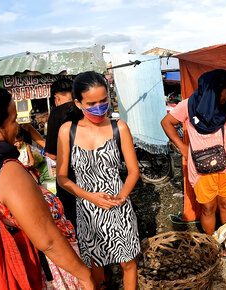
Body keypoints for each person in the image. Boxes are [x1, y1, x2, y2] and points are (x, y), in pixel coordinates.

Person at [0, 85, 94, 289]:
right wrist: (84, 275)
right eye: (12, 120)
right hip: (54, 272)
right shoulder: (8, 172)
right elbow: (49, 241)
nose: (17, 127)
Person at [57, 71, 140, 290]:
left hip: (119, 207)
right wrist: (90, 197)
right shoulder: (67, 131)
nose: (99, 107)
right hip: (87, 211)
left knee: (129, 263)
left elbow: (133, 171)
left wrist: (121, 197)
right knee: (94, 265)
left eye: (103, 100)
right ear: (78, 103)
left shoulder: (118, 127)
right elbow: (62, 178)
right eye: (91, 103)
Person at [161, 69, 226, 236]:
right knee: (208, 208)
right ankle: (210, 242)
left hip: (225, 165)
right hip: (200, 167)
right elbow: (167, 122)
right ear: (213, 91)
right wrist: (182, 147)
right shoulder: (188, 106)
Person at [45, 77, 83, 227]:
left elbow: (51, 154)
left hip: (68, 179)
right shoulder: (83, 108)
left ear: (56, 98)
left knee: (73, 220)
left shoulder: (57, 113)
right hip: (91, 176)